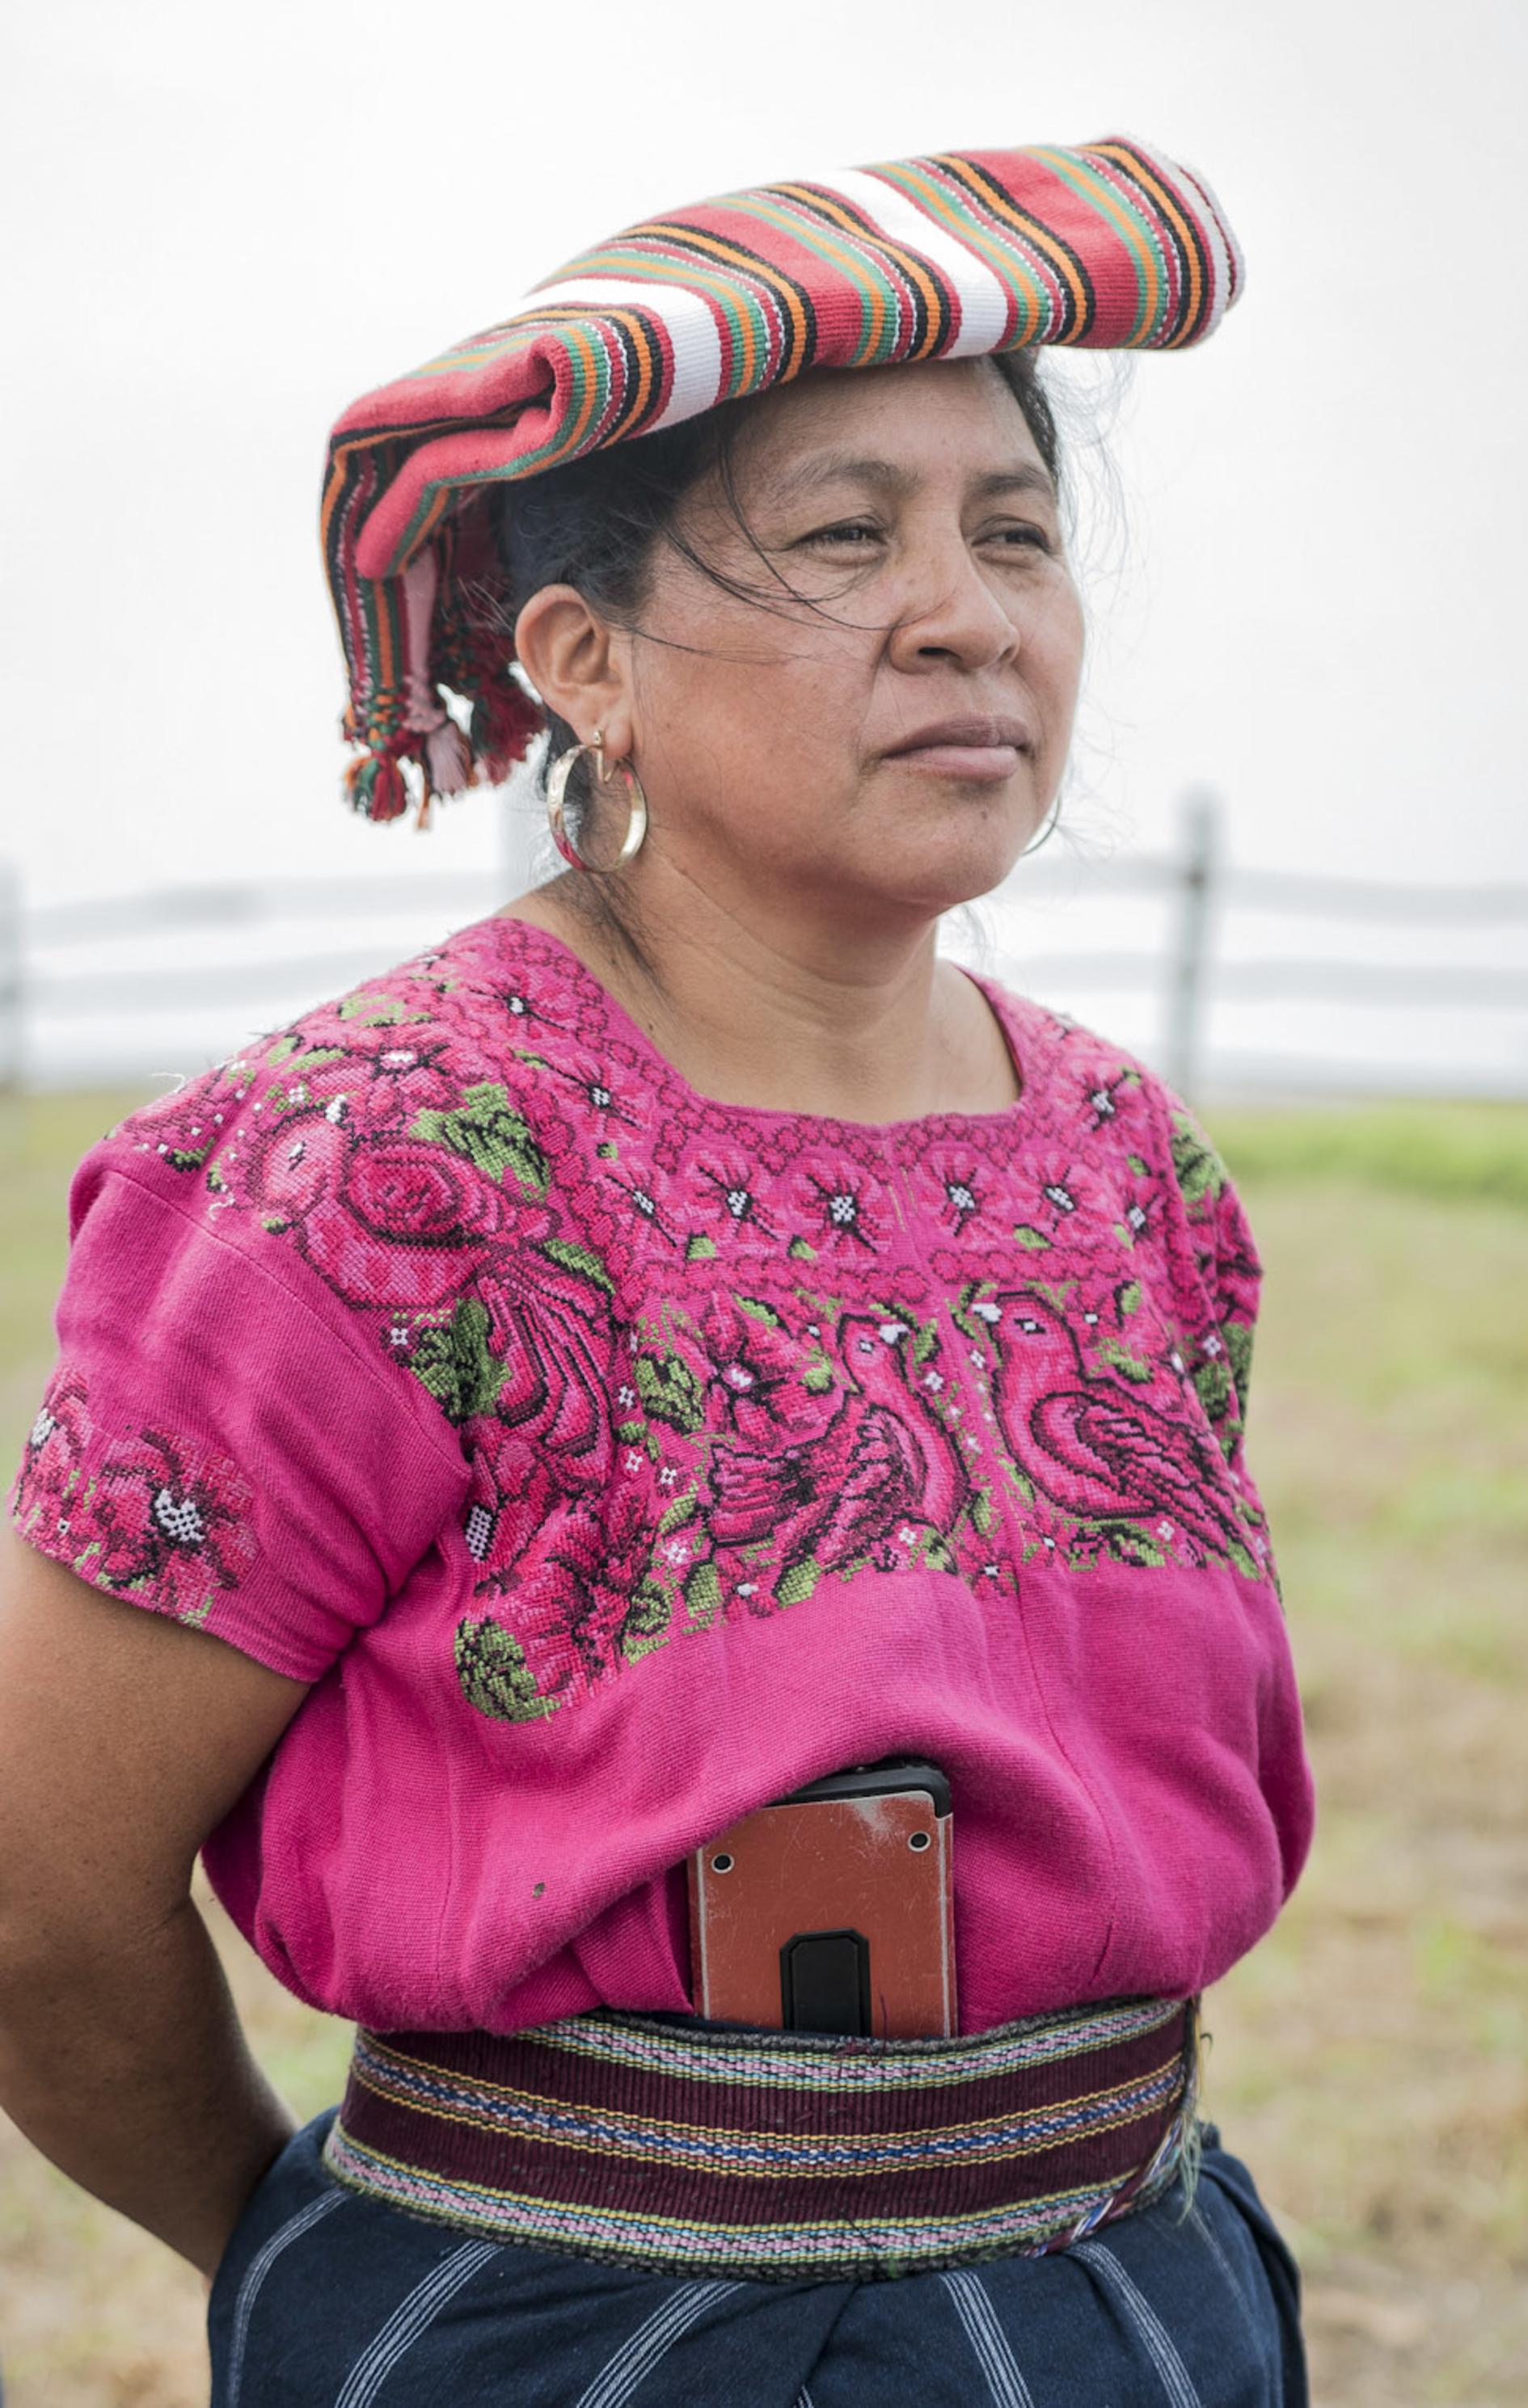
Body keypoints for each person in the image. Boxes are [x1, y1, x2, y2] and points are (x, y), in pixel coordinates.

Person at [0, 137, 1314, 2403]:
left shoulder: (1126, 1162)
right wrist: (327, 2272)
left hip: (1136, 2296)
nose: (966, 609)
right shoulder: (368, 1168)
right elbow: (34, 1887)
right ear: (583, 661)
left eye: (1015, 530)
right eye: (842, 533)